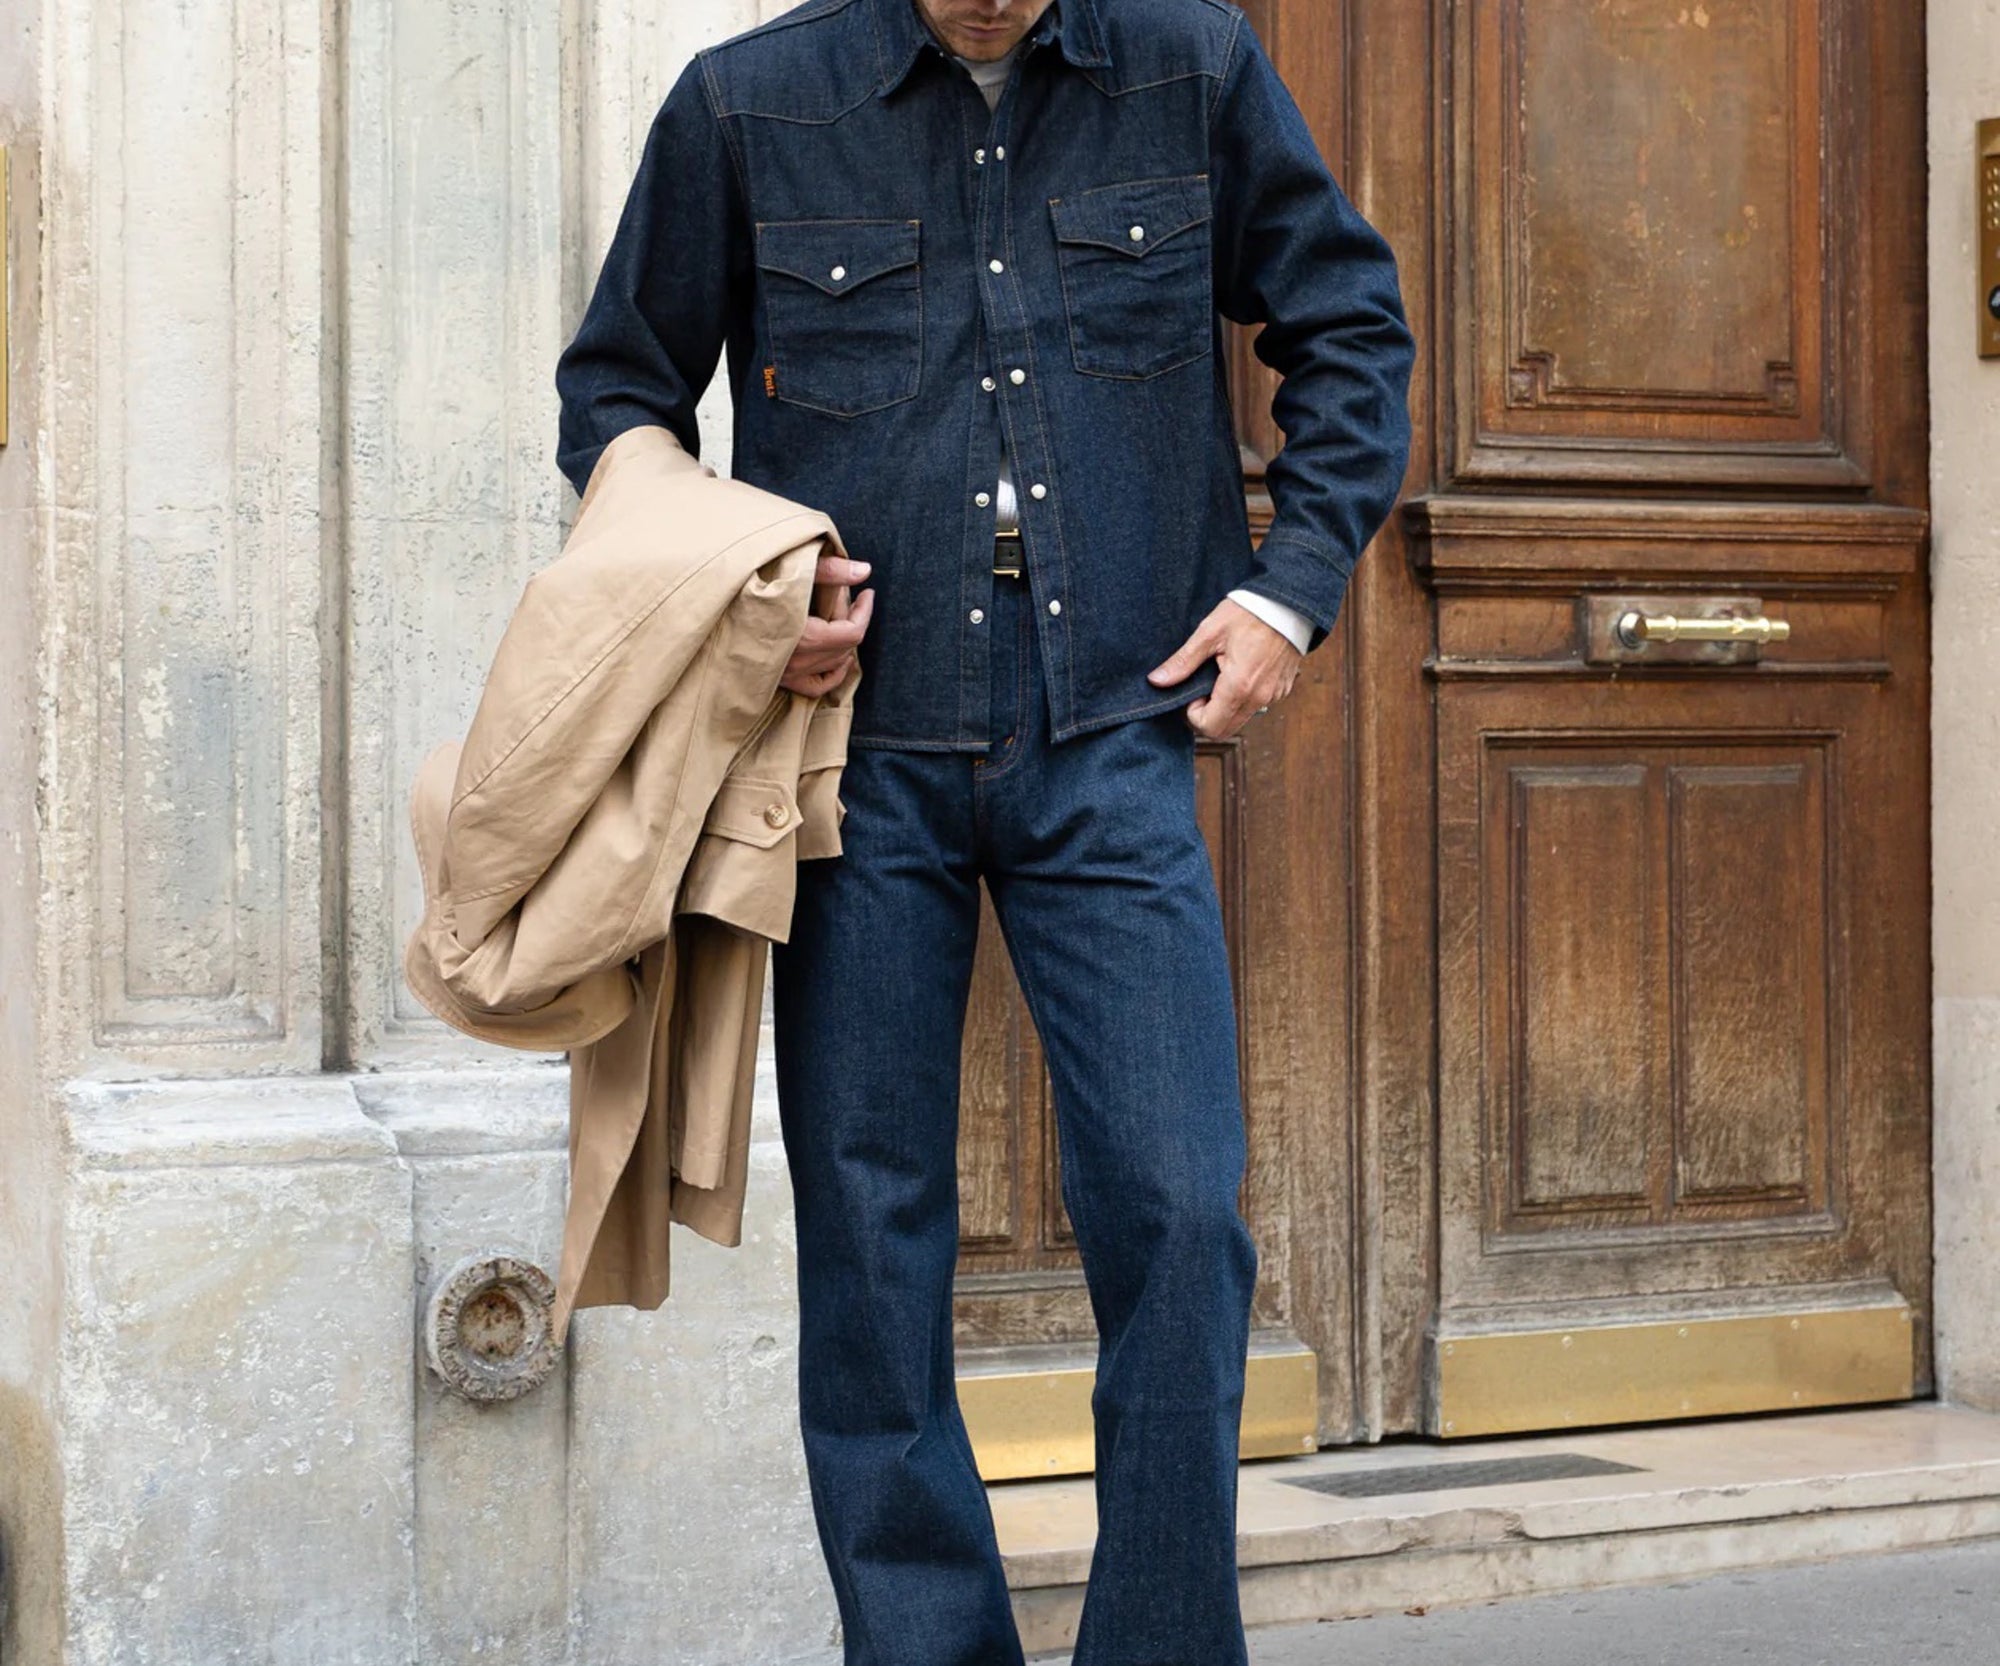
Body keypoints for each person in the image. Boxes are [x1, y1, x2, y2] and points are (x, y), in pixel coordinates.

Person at [553, 0, 1414, 1660]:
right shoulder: (749, 102)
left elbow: (1350, 326)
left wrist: (1289, 589)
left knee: (1178, 1205)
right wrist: (745, 598)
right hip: (854, 760)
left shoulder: (1193, 67)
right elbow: (617, 400)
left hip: (1112, 733)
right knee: (872, 1227)